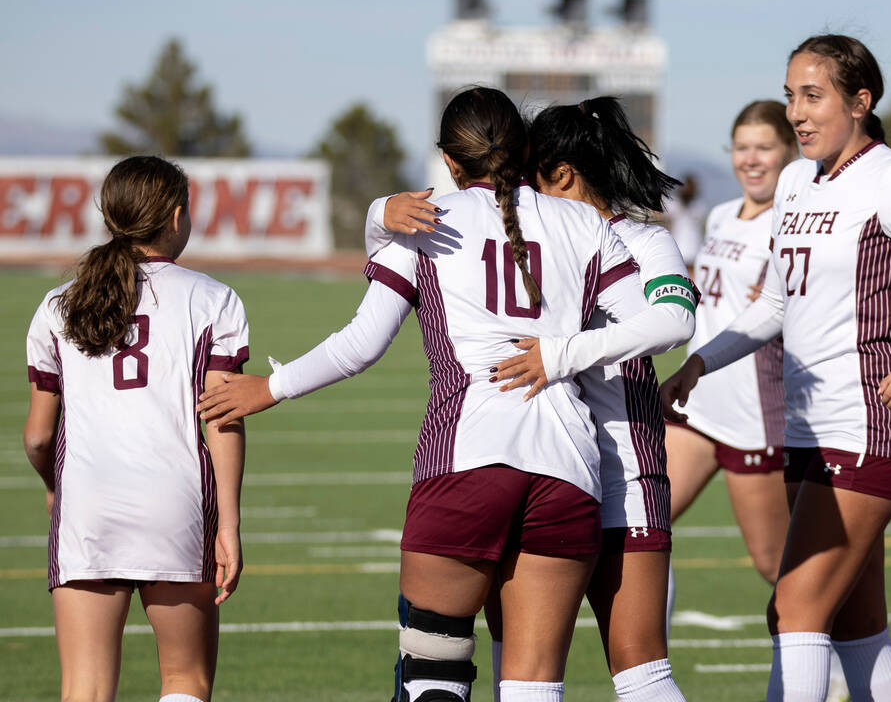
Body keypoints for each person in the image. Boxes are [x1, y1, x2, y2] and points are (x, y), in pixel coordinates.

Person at [198, 87, 691, 702]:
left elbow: (362, 344)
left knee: (433, 679)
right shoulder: (587, 224)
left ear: (449, 162)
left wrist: (269, 387)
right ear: (526, 149)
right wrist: (559, 352)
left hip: (467, 460)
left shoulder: (426, 224)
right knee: (534, 689)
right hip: (570, 469)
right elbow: (668, 321)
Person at [661, 34, 891, 702]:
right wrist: (701, 361)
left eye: (813, 95)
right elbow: (776, 304)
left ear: (860, 102)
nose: (797, 112)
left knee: (795, 608)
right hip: (808, 425)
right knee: (855, 622)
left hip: (871, 421)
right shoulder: (794, 179)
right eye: (791, 96)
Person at [373, 96, 697, 702]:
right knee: (517, 664)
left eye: (530, 179)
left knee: (639, 665)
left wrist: (560, 353)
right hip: (549, 464)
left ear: (562, 176)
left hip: (624, 468)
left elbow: (674, 321)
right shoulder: (539, 233)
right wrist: (378, 211)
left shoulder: (639, 243)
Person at [24, 155, 248, 702]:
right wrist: (230, 524)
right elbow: (222, 417)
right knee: (184, 681)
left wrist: (55, 485)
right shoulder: (213, 298)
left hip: (88, 504)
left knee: (84, 689)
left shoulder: (58, 304)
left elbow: (36, 435)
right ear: (176, 217)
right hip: (176, 501)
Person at [664, 100, 793, 608]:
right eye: (742, 147)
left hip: (753, 416)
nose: (752, 159)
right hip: (696, 404)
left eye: (765, 147)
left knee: (775, 563)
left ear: (789, 152)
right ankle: (650, 678)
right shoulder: (719, 216)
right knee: (640, 526)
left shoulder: (793, 225)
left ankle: (835, 660)